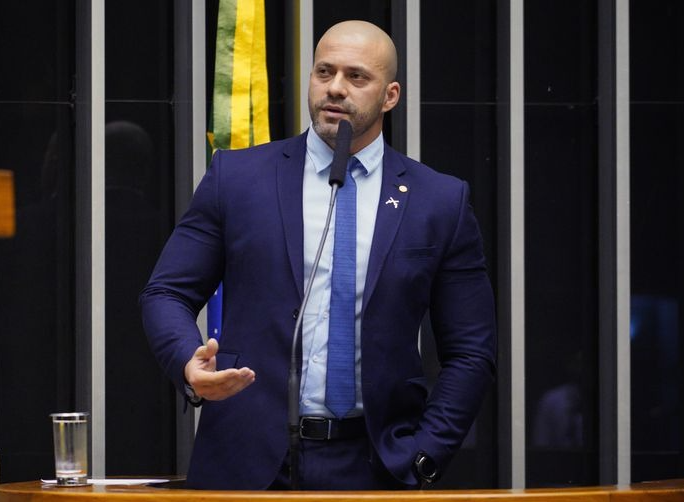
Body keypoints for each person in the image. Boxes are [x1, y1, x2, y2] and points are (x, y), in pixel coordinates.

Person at [140, 20, 496, 490]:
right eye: (324, 72)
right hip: (244, 463)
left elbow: (471, 350)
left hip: (375, 465)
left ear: (390, 96)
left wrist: (424, 456)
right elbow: (166, 292)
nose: (335, 88)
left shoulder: (439, 201)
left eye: (356, 77)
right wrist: (189, 363)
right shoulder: (238, 178)